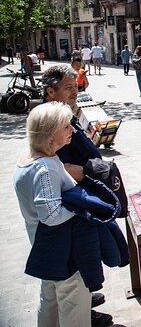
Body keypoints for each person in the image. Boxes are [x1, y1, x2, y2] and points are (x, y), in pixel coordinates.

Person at [41, 65, 114, 327]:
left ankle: (84, 305)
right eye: (68, 88)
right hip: (69, 208)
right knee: (71, 278)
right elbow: (62, 169)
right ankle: (82, 314)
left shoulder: (65, 115)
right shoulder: (52, 122)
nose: (75, 92)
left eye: (76, 86)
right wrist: (92, 170)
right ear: (51, 92)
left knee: (58, 285)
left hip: (74, 204)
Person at [13, 102, 91, 327]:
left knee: (49, 300)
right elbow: (52, 215)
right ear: (49, 133)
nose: (72, 131)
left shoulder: (31, 159)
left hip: (44, 247)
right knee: (73, 302)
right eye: (66, 127)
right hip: (62, 249)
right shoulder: (44, 167)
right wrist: (82, 206)